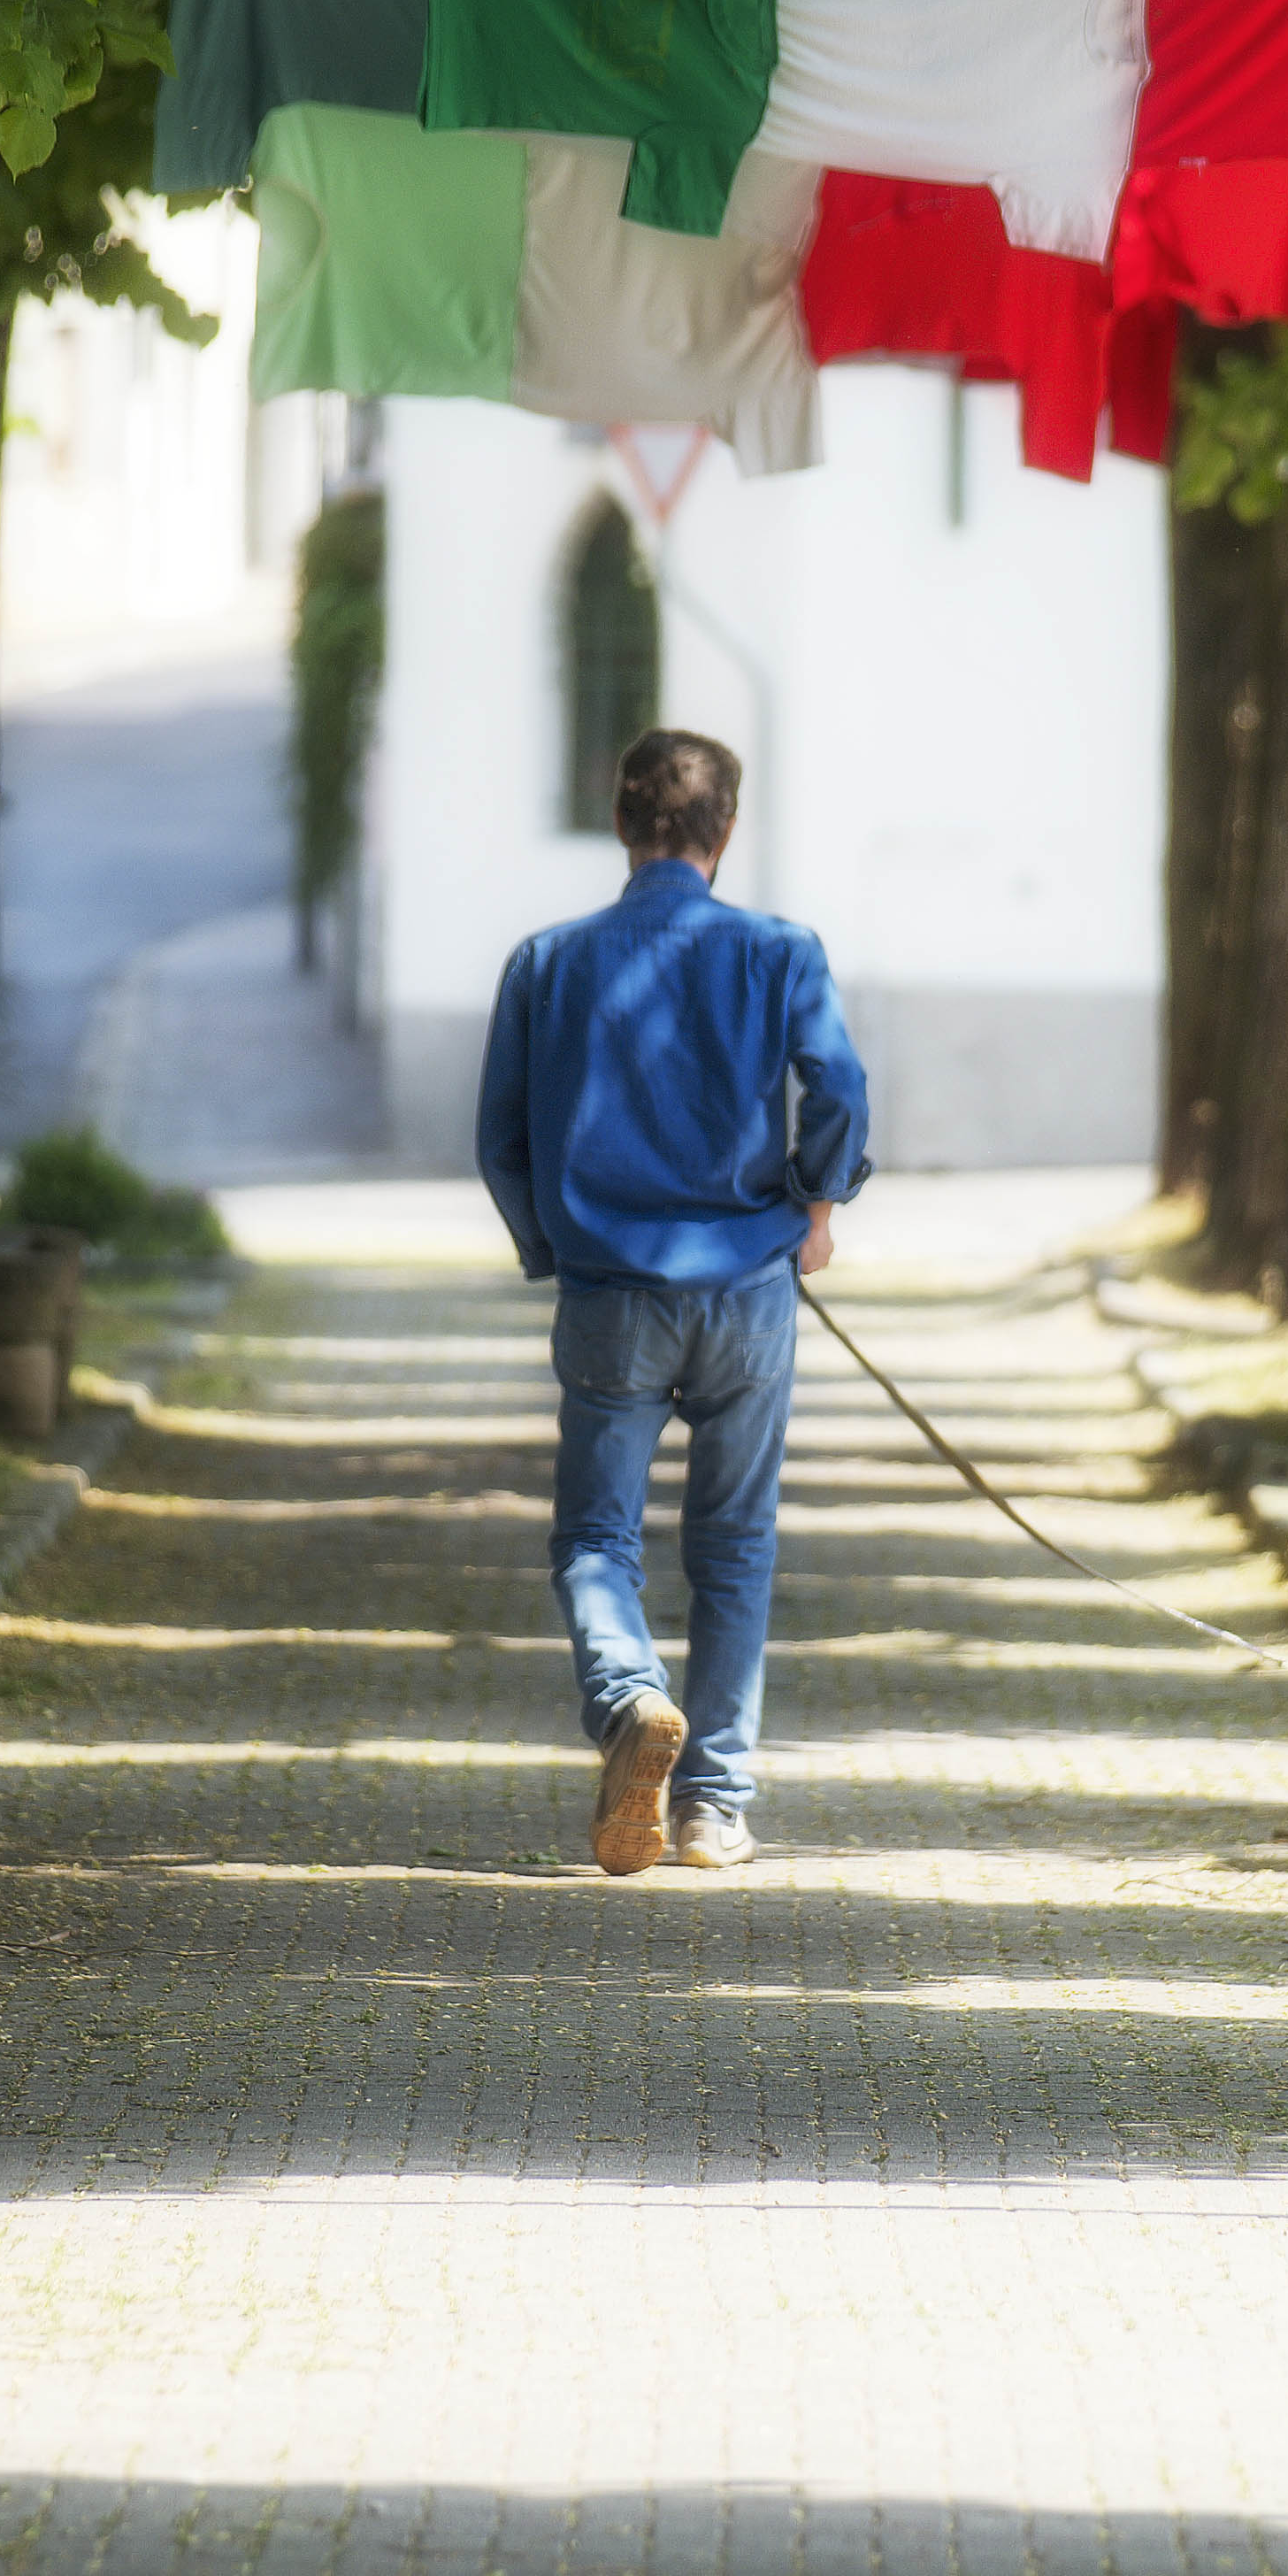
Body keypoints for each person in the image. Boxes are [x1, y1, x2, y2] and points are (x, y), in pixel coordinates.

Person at [475, 728, 871, 1874]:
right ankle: (711, 1808)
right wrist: (816, 1203)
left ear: (620, 823)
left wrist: (556, 1243)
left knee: (598, 1536)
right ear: (725, 831)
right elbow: (837, 1085)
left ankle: (630, 1699)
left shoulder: (545, 963)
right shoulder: (782, 952)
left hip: (611, 1291)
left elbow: (500, 1137)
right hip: (748, 1289)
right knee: (735, 1546)